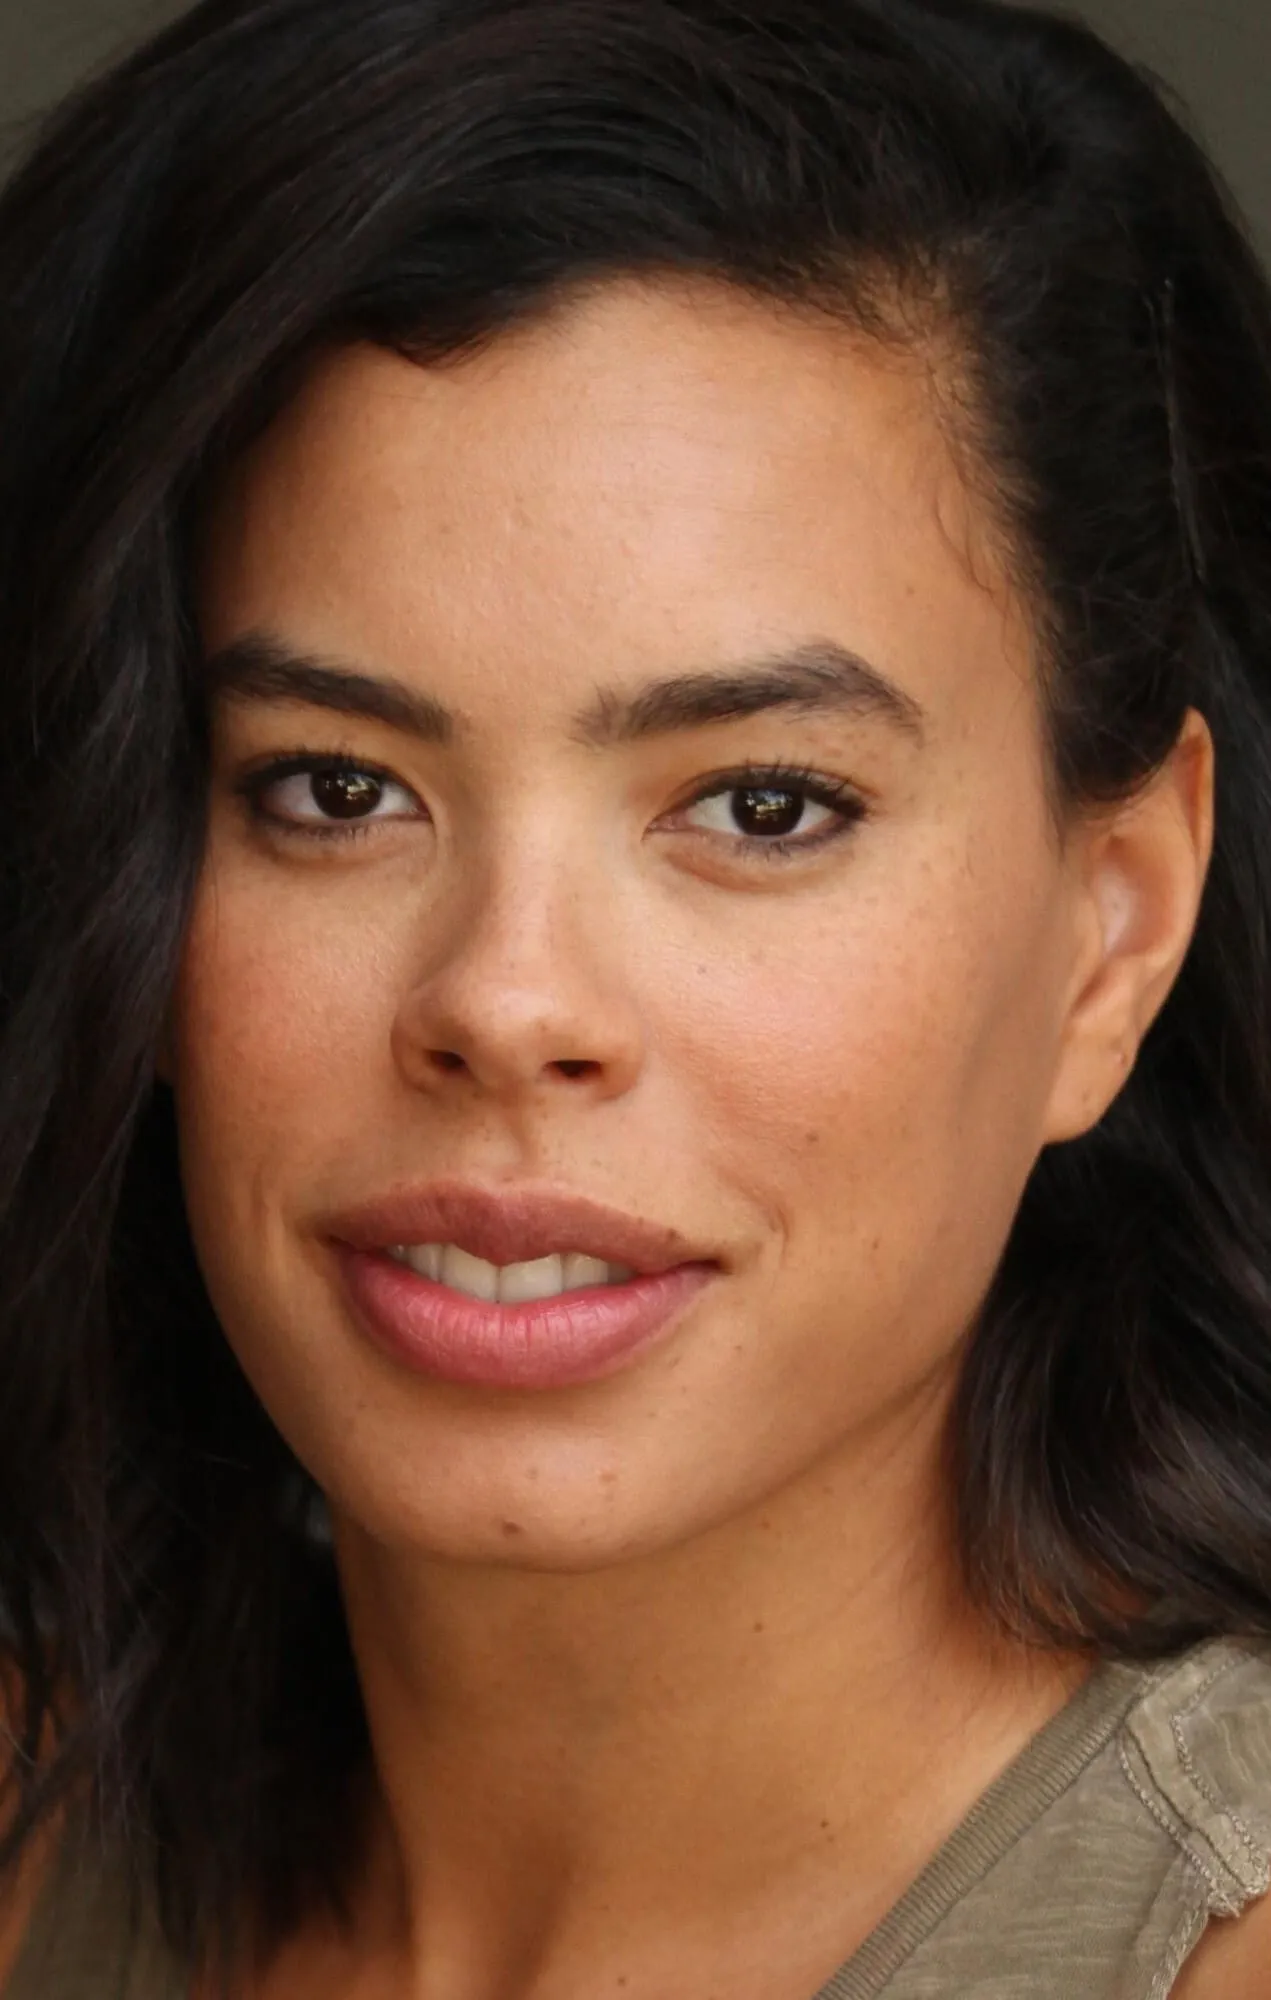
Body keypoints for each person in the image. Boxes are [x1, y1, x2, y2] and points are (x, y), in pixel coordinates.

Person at [3, 0, 1271, 1993]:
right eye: (333, 789)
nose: (505, 1002)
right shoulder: (42, 1829)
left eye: (761, 805)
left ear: (1109, 933)